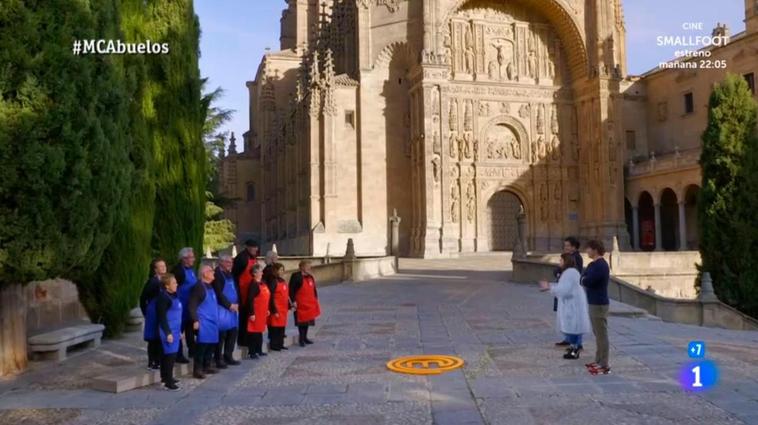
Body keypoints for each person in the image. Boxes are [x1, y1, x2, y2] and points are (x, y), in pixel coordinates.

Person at [539, 253, 591, 360]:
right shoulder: (571, 272)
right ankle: (573, 348)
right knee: (573, 326)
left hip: (572, 305)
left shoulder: (569, 273)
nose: (559, 262)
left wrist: (549, 287)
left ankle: (574, 350)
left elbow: (564, 289)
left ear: (565, 261)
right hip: (573, 303)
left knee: (572, 327)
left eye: (561, 260)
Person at [582, 239, 611, 375]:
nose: (586, 251)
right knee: (597, 333)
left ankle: (604, 364)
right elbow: (584, 277)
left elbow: (588, 280)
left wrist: (585, 279)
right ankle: (598, 360)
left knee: (601, 334)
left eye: (588, 248)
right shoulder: (593, 264)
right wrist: (584, 278)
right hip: (594, 302)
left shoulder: (600, 265)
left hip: (599, 303)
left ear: (595, 249)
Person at [188, 265, 220, 379]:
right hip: (204, 321)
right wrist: (195, 320)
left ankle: (207, 366)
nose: (213, 273)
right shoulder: (199, 287)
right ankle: (197, 370)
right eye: (211, 271)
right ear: (204, 274)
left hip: (212, 321)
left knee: (210, 345)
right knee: (202, 346)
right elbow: (192, 305)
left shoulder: (210, 286)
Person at [554, 236, 584, 347]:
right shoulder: (566, 257)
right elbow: (556, 270)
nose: (565, 247)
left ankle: (577, 343)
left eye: (567, 245)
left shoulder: (576, 258)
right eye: (565, 245)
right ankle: (568, 338)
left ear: (574, 247)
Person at [156, 273, 182, 391]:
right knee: (169, 356)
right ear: (167, 286)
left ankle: (166, 377)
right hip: (168, 330)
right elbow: (162, 317)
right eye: (174, 283)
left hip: (176, 329)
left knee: (171, 355)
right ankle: (168, 381)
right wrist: (168, 333)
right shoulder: (163, 298)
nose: (176, 284)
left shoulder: (174, 295)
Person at [213, 255, 240, 368]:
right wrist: (229, 305)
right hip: (222, 308)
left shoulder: (230, 274)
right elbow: (218, 293)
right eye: (228, 262)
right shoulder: (217, 275)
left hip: (233, 309)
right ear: (221, 262)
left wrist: (237, 303)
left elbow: (235, 289)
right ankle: (218, 359)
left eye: (231, 262)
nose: (230, 264)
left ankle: (228, 356)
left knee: (233, 333)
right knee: (222, 335)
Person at [140, 257, 166, 370]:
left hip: (161, 311)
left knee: (160, 337)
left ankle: (159, 360)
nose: (164, 268)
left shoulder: (165, 280)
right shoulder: (153, 282)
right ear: (155, 269)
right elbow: (143, 298)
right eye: (160, 266)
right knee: (153, 338)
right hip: (153, 312)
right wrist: (146, 312)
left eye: (164, 265)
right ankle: (152, 362)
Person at [172, 247, 197, 363]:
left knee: (190, 330)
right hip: (180, 307)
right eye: (191, 257)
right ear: (184, 259)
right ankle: (178, 354)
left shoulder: (191, 270)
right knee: (179, 331)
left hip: (190, 306)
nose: (194, 259)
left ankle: (192, 350)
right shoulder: (178, 271)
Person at [233, 240, 259, 349]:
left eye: (256, 248)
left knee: (250, 315)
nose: (255, 250)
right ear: (248, 247)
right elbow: (235, 275)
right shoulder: (241, 258)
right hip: (243, 290)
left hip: (251, 289)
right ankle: (242, 341)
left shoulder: (253, 257)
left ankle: (249, 339)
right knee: (244, 317)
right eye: (253, 248)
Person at [289, 260, 321, 347]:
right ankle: (301, 339)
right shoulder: (296, 276)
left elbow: (314, 289)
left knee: (308, 322)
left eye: (309, 266)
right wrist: (293, 301)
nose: (309, 268)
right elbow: (291, 290)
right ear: (302, 267)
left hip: (309, 303)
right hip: (300, 303)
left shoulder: (310, 277)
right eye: (307, 266)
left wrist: (315, 299)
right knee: (301, 322)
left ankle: (305, 338)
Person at [245, 264, 270, 359]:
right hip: (255, 312)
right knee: (253, 333)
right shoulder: (253, 284)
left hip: (262, 312)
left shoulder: (262, 283)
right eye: (260, 271)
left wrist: (267, 309)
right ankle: (252, 352)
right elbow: (250, 300)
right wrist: (251, 313)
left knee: (260, 332)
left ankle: (259, 350)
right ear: (255, 273)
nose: (262, 273)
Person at [265, 262, 290, 351]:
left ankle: (280, 343)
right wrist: (273, 309)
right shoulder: (273, 281)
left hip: (283, 308)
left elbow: (286, 295)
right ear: (275, 270)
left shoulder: (282, 281)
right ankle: (274, 345)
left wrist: (289, 305)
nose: (282, 271)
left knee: (282, 326)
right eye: (280, 270)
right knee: (275, 327)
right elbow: (270, 295)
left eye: (283, 270)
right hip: (276, 307)